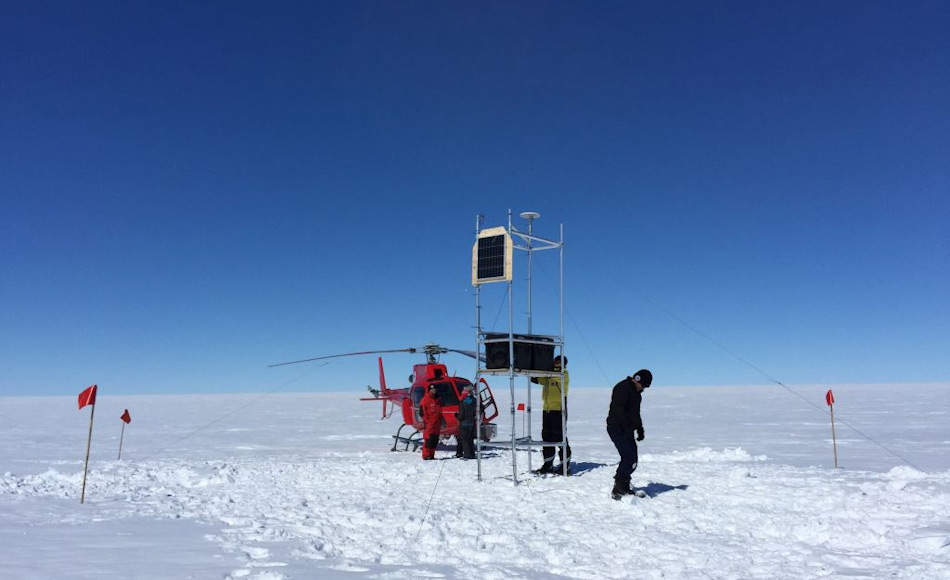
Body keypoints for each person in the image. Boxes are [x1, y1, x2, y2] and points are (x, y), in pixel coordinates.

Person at [606, 369, 653, 499]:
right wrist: (626, 425)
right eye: (643, 385)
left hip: (627, 429)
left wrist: (639, 428)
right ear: (637, 379)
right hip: (617, 428)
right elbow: (618, 408)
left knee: (633, 459)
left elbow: (635, 413)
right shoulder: (622, 388)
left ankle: (623, 484)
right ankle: (619, 489)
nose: (643, 388)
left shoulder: (637, 394)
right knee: (628, 458)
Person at [531, 355, 571, 474]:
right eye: (555, 362)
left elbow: (555, 375)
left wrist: (546, 370)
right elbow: (538, 379)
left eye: (559, 363)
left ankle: (565, 466)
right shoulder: (548, 376)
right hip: (547, 410)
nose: (556, 364)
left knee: (560, 437)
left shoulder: (564, 374)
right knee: (547, 438)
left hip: (559, 410)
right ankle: (548, 465)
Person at [420, 383, 443, 460]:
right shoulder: (425, 399)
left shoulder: (437, 399)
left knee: (434, 440)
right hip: (430, 424)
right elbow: (422, 412)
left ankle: (432, 455)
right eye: (432, 389)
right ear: (429, 390)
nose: (434, 390)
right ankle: (426, 455)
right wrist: (427, 421)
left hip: (437, 423)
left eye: (435, 389)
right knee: (428, 440)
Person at [455, 385, 477, 459]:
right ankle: (472, 454)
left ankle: (467, 455)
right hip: (472, 423)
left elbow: (461, 416)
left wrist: (456, 415)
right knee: (470, 439)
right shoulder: (475, 401)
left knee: (464, 440)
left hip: (464, 424)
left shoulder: (463, 402)